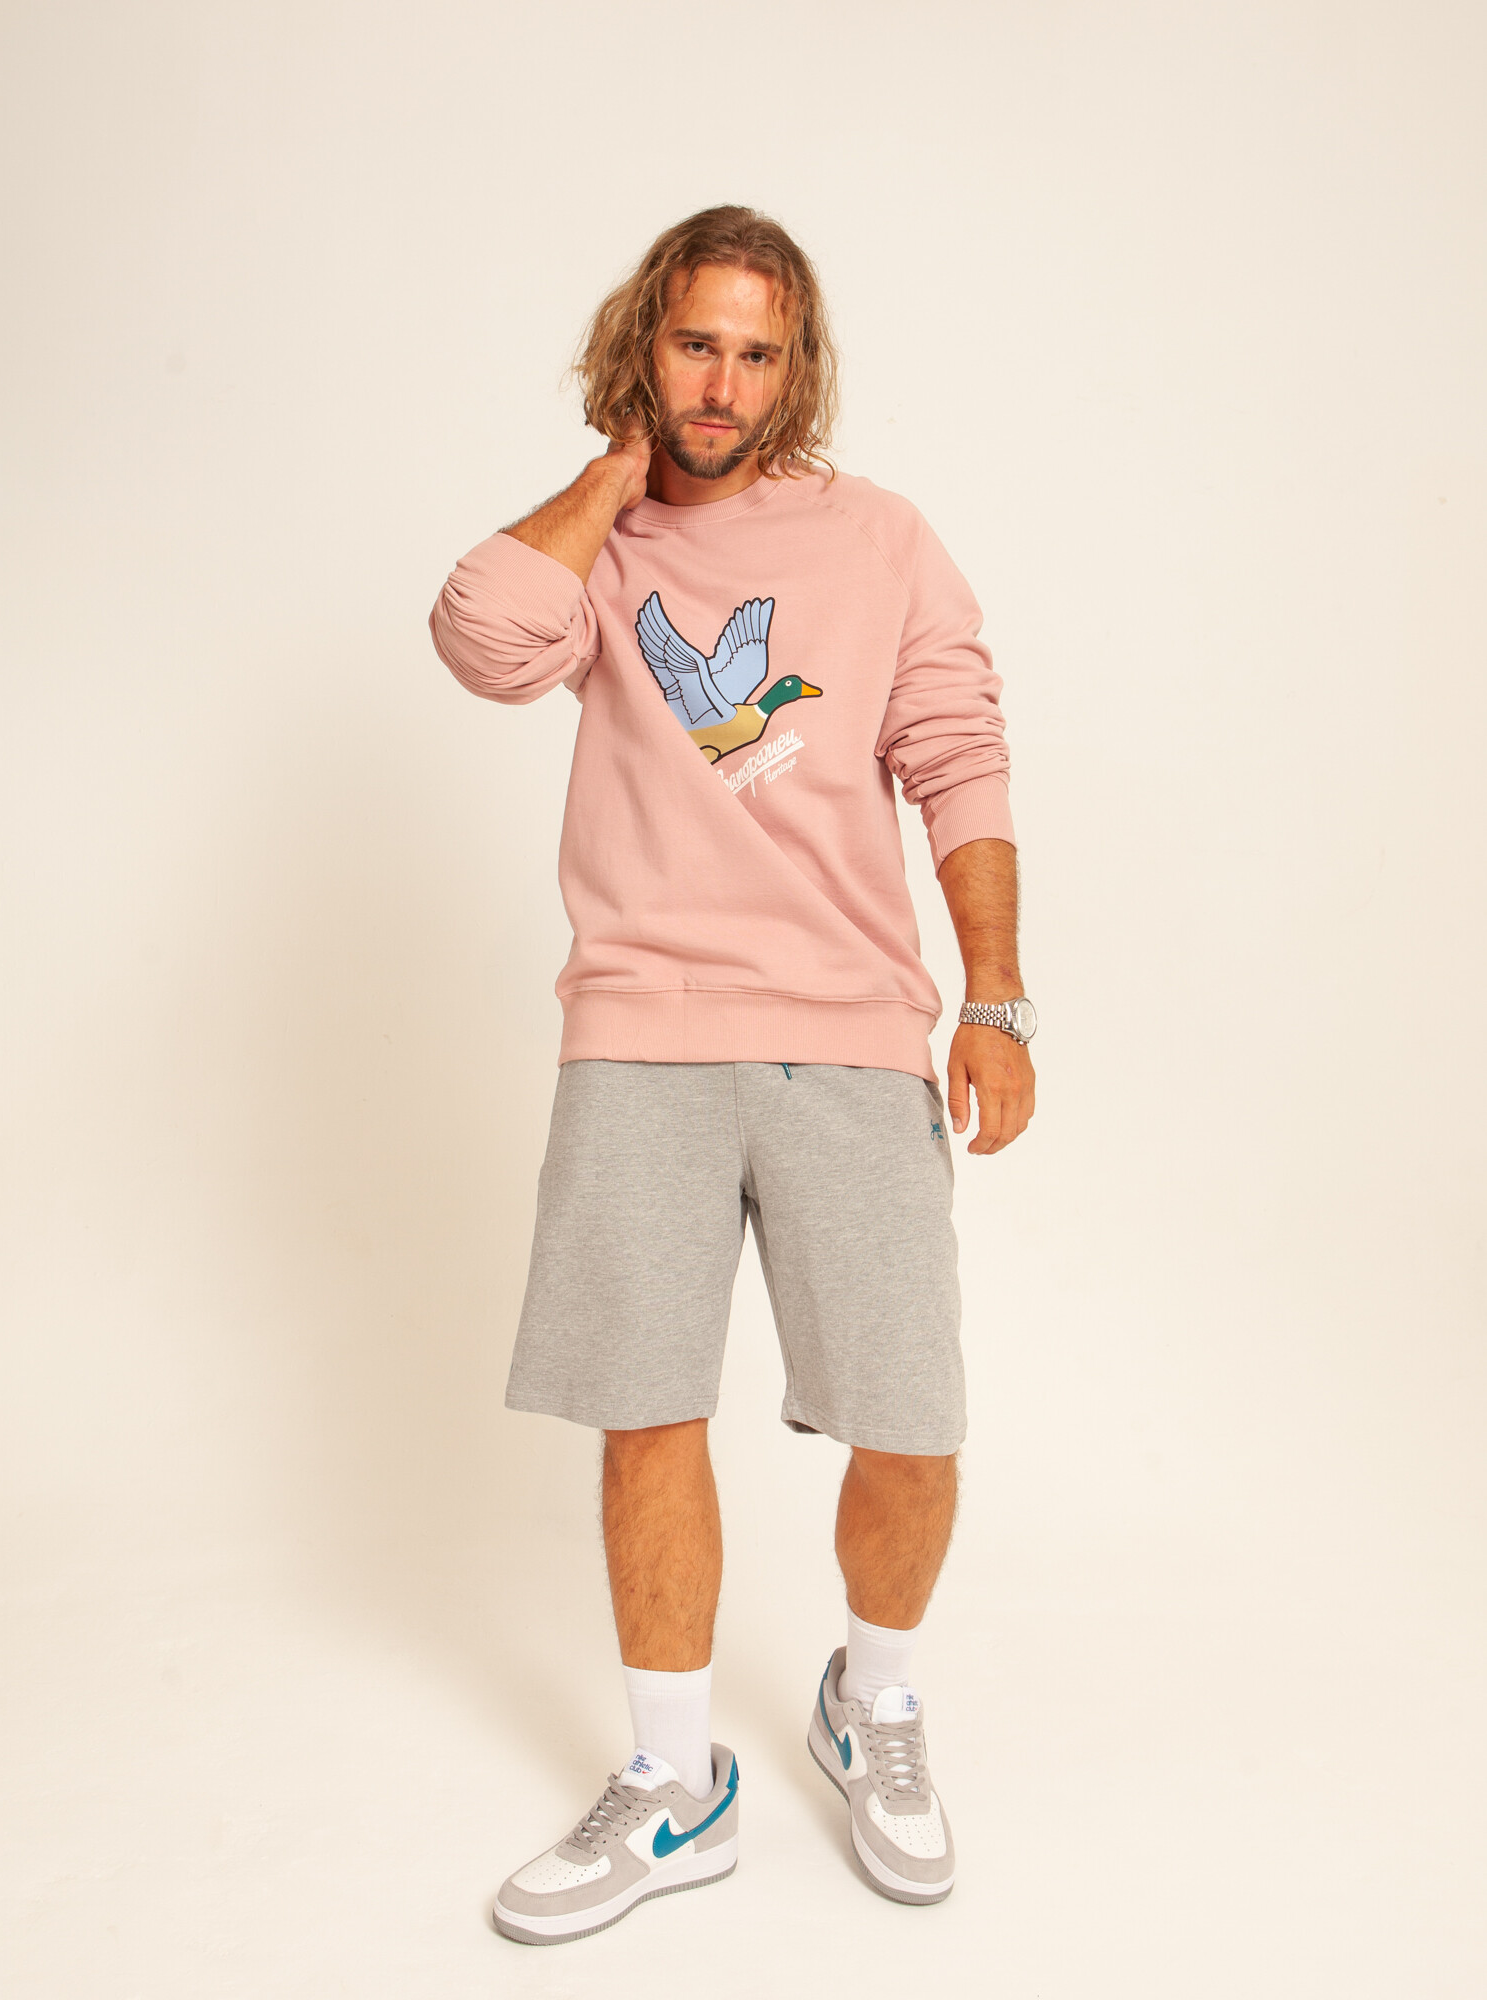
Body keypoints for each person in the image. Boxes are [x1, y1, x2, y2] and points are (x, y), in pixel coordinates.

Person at [428, 204, 1036, 1946]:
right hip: (641, 1030)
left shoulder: (882, 538)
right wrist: (614, 476)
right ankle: (674, 1782)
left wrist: (995, 998)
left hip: (850, 1029)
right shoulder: (601, 548)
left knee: (911, 1417)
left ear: (798, 369)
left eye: (757, 354)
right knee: (647, 1410)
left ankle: (875, 1703)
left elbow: (957, 754)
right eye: (696, 343)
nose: (724, 382)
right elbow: (481, 640)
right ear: (648, 345)